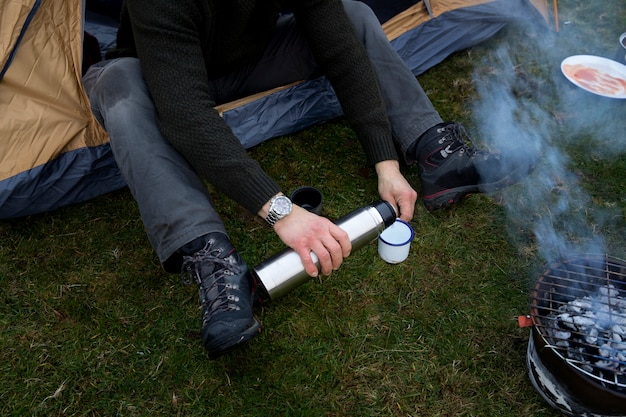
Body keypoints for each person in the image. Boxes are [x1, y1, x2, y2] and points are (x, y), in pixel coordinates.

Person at [83, 0, 532, 359]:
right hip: (159, 78)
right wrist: (280, 210)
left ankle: (436, 155)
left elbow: (338, 48)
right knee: (117, 83)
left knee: (352, 14)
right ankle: (213, 261)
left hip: (242, 64)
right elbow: (184, 115)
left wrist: (385, 162)